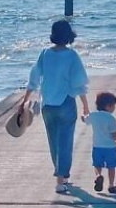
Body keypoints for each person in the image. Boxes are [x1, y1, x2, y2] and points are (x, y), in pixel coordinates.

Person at [21, 20, 89, 194]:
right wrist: (85, 106)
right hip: (66, 102)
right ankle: (61, 180)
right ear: (68, 36)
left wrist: (25, 101)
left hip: (48, 104)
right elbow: (79, 83)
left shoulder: (45, 54)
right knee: (65, 141)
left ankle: (62, 176)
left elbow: (34, 78)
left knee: (54, 141)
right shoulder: (72, 55)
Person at [83, 91, 116, 194]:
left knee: (97, 164)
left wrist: (83, 117)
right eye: (113, 106)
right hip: (110, 147)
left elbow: (85, 120)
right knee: (111, 166)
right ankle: (111, 185)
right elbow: (114, 134)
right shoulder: (111, 119)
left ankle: (98, 176)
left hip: (97, 146)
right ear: (108, 106)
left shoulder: (93, 116)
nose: (114, 108)